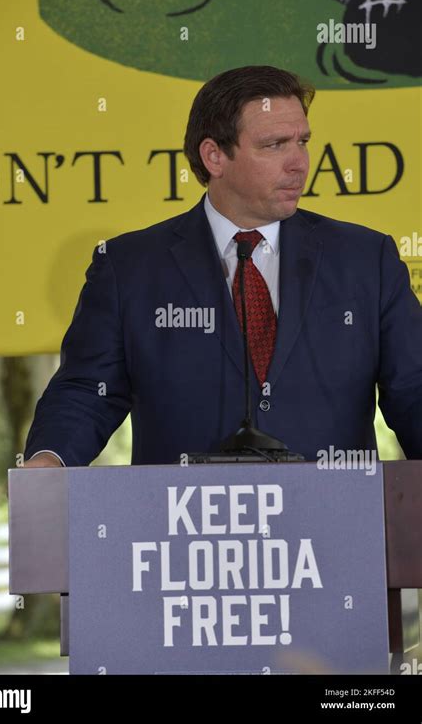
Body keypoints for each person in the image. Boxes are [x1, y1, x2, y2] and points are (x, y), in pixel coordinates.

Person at [23, 65, 422, 469]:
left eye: (302, 142)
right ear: (214, 156)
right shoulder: (128, 269)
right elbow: (89, 390)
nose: (299, 162)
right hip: (185, 523)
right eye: (275, 145)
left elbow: (414, 387)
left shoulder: (366, 259)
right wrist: (48, 462)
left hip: (335, 519)